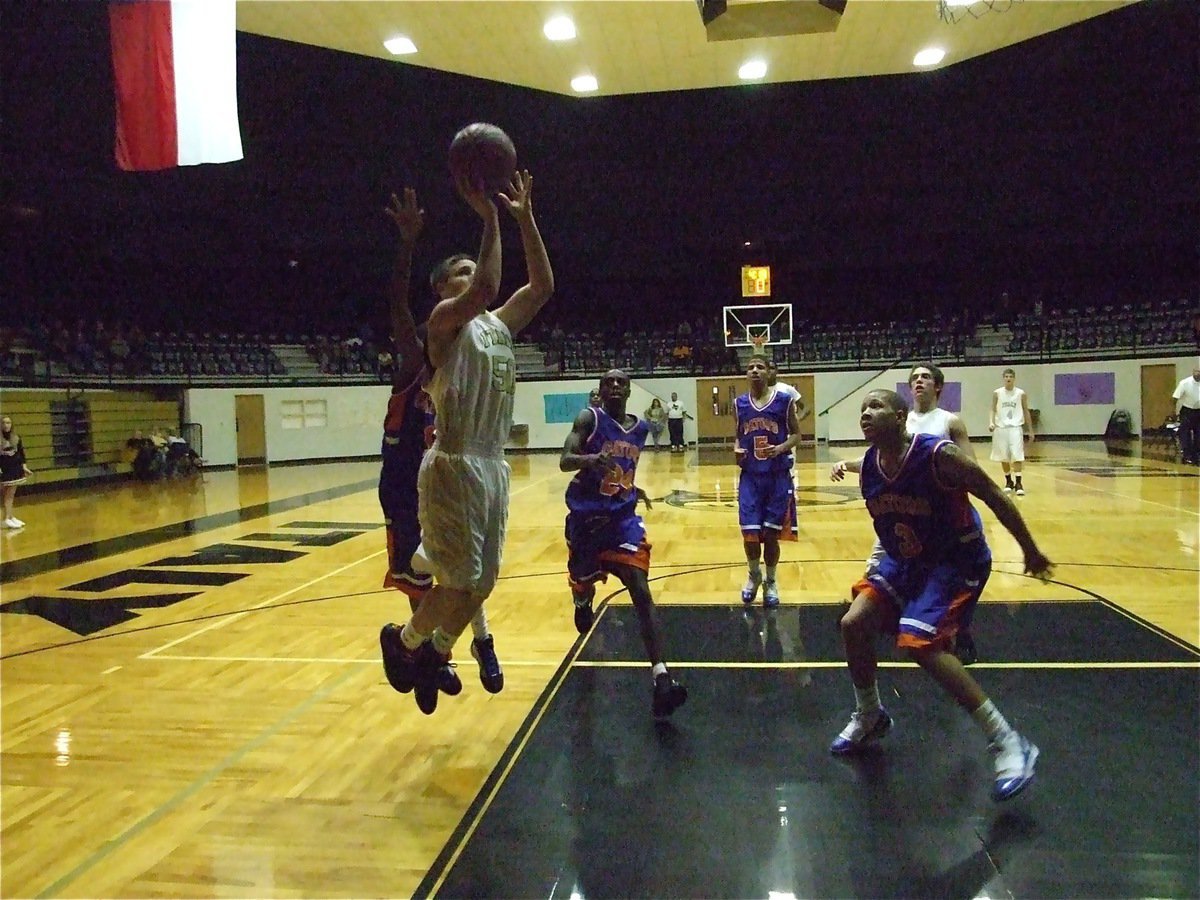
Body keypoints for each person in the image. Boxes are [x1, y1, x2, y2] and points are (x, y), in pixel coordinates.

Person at [379, 169, 553, 716]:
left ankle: (426, 649)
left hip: (492, 467)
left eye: (474, 265)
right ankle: (408, 645)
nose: (474, 273)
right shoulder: (445, 324)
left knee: (481, 585)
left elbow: (542, 287)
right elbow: (487, 288)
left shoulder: (499, 326)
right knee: (458, 582)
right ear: (443, 288)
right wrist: (492, 217)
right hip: (454, 464)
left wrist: (526, 220)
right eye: (462, 269)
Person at [828, 388, 1052, 803]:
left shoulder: (938, 456)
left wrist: (1030, 549)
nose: (866, 413)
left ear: (901, 418)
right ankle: (871, 714)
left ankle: (1008, 741)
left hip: (955, 560)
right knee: (854, 623)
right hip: (908, 560)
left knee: (921, 644)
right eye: (862, 408)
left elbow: (993, 494)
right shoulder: (870, 468)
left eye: (876, 406)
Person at [376, 188, 503, 702]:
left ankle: (465, 644)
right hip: (407, 487)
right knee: (423, 579)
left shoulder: (474, 351)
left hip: (454, 476)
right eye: (461, 273)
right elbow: (399, 310)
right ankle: (426, 653)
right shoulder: (420, 358)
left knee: (465, 571)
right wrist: (407, 244)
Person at [561, 369, 687, 719]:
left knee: (641, 590)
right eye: (608, 381)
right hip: (587, 522)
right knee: (583, 590)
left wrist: (633, 488)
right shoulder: (589, 417)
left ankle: (661, 677)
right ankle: (581, 596)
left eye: (621, 381)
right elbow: (564, 459)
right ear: (601, 390)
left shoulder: (642, 428)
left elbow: (624, 467)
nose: (614, 385)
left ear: (630, 389)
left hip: (621, 521)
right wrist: (590, 460)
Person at [835, 363, 981, 665]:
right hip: (897, 511)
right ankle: (882, 626)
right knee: (876, 570)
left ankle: (952, 630)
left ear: (937, 386)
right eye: (914, 378)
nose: (918, 382)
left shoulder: (949, 422)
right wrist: (846, 465)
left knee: (945, 583)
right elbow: (879, 458)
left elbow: (970, 467)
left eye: (925, 377)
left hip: (934, 512)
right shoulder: (901, 418)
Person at [734, 355, 802, 608]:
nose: (754, 370)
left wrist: (781, 447)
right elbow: (737, 437)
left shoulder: (784, 401)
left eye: (759, 367)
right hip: (750, 477)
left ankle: (771, 581)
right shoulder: (739, 403)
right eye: (750, 367)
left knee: (771, 535)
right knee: (750, 534)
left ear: (768, 373)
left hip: (777, 476)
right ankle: (753, 575)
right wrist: (737, 451)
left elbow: (797, 435)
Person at [989, 367, 1034, 495]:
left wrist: (1030, 430)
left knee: (1017, 455)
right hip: (1001, 428)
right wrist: (991, 422)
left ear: (1014, 379)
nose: (1008, 379)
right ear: (1003, 378)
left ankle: (1019, 482)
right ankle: (1009, 481)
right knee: (1003, 456)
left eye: (1010, 377)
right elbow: (992, 409)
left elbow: (1026, 411)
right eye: (1006, 377)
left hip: (1015, 428)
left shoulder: (1020, 393)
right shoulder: (997, 393)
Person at [0, 415, 33, 529]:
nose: (6, 425)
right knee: (6, 494)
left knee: (11, 494)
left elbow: (21, 454)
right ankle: (5, 518)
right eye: (3, 423)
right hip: (4, 470)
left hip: (16, 468)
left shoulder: (16, 438)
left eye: (8, 423)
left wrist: (24, 467)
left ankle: (10, 516)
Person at [1171, 363, 1200, 465]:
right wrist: (1173, 412)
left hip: (1198, 411)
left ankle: (1196, 455)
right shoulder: (1185, 383)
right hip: (1187, 410)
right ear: (1193, 372)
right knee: (1185, 434)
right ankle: (1187, 455)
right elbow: (1175, 398)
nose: (1198, 374)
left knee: (1198, 435)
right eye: (1197, 371)